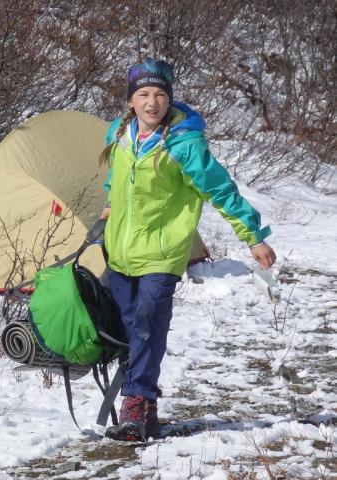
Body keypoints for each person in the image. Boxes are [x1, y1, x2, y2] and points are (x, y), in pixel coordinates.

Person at [98, 58, 276, 442]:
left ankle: (134, 404)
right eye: (143, 94)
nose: (151, 102)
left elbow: (220, 190)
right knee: (134, 330)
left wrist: (254, 237)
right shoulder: (120, 134)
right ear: (131, 101)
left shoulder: (184, 144)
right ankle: (146, 412)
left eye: (160, 94)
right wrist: (111, 203)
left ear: (169, 99)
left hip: (162, 252)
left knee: (147, 320)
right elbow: (116, 176)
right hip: (119, 251)